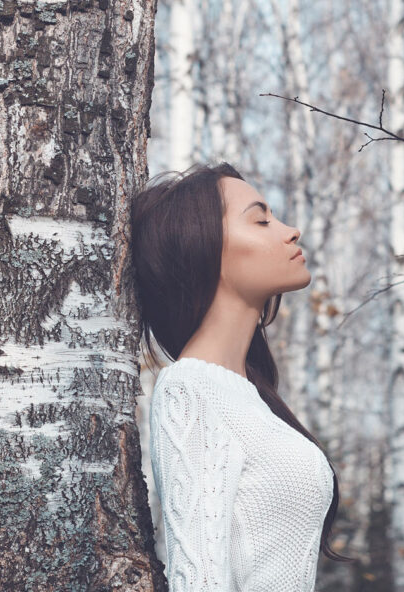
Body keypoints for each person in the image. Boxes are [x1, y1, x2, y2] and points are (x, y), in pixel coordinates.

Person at [130, 162, 356, 591]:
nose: (290, 231)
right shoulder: (188, 391)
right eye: (261, 220)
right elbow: (198, 581)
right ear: (202, 248)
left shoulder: (249, 396)